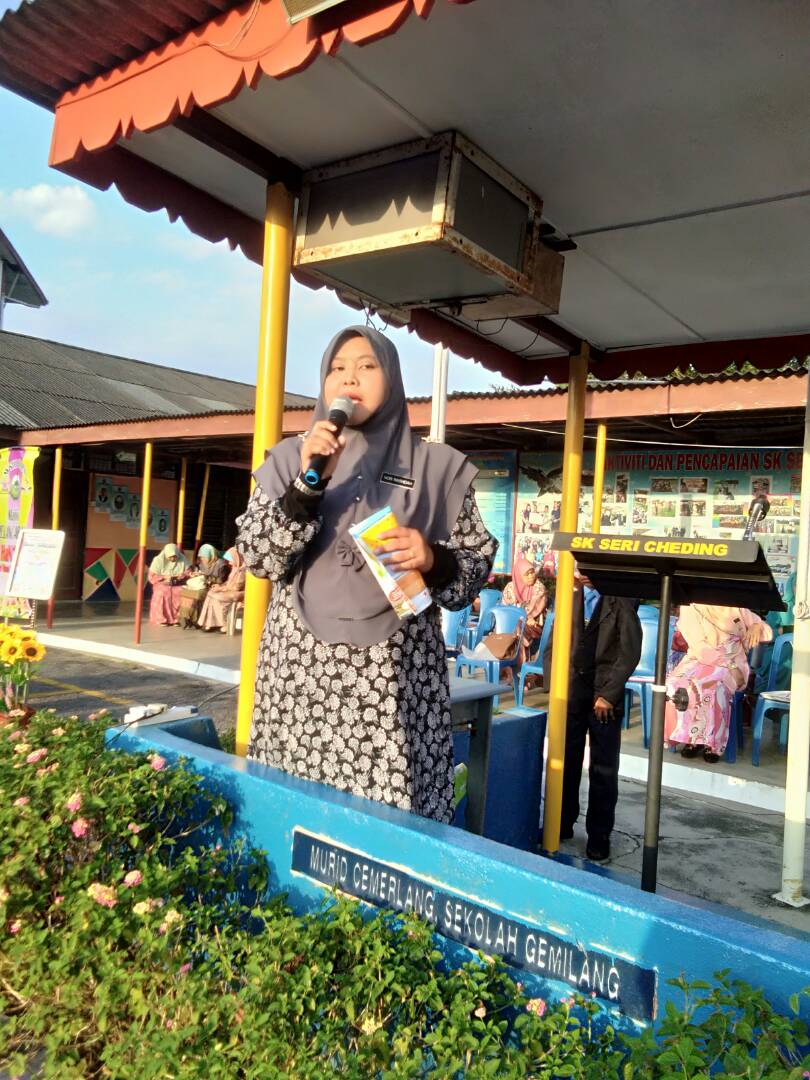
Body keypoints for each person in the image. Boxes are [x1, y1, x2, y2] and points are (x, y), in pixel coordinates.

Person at [236, 326, 497, 823]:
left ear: (392, 378)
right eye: (337, 368)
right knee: (294, 822)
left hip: (395, 684)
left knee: (388, 833)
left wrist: (433, 558)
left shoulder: (436, 467)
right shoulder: (290, 458)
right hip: (299, 680)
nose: (349, 377)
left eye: (366, 366)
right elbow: (259, 557)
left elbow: (473, 571)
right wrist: (308, 482)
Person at [543, 567, 642, 861]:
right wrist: (554, 686)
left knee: (603, 770)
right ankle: (561, 823)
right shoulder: (569, 595)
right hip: (571, 693)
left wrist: (609, 695)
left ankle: (599, 836)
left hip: (603, 699)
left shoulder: (621, 599)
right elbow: (554, 643)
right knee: (565, 762)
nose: (582, 574)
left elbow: (628, 651)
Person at [664, 604, 772, 763]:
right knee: (675, 684)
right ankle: (690, 737)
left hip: (733, 665)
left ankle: (713, 743)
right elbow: (700, 648)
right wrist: (729, 665)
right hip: (699, 661)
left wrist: (757, 626)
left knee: (714, 685)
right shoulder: (691, 608)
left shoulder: (735, 607)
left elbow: (768, 633)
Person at [502, 553, 548, 667]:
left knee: (518, 630)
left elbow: (533, 609)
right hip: (515, 622)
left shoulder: (539, 588)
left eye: (532, 572)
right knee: (507, 628)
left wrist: (523, 617)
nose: (531, 576)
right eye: (527, 574)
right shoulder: (510, 587)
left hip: (534, 625)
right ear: (518, 575)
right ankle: (506, 666)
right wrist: (521, 616)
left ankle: (519, 667)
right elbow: (505, 609)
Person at [178, 544, 227, 628]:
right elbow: (201, 574)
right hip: (203, 585)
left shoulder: (221, 565)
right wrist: (196, 574)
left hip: (216, 587)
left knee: (197, 594)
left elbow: (221, 580)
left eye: (204, 557)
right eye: (201, 557)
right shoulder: (202, 564)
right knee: (187, 593)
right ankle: (188, 617)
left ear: (211, 556)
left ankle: (197, 619)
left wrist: (206, 577)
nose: (202, 559)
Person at [198, 547, 246, 632]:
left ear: (236, 558)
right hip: (229, 590)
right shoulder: (235, 568)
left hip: (238, 593)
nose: (229, 563)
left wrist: (221, 588)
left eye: (231, 560)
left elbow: (237, 587)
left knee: (216, 596)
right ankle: (209, 623)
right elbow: (228, 582)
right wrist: (219, 586)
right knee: (210, 594)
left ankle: (224, 623)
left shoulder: (242, 570)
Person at [147, 543, 189, 626]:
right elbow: (151, 577)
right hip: (161, 583)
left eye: (175, 556)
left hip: (177, 583)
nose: (173, 559)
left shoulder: (182, 559)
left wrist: (181, 576)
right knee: (162, 592)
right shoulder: (158, 560)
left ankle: (177, 618)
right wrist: (164, 577)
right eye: (170, 557)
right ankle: (161, 619)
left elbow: (188, 572)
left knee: (181, 591)